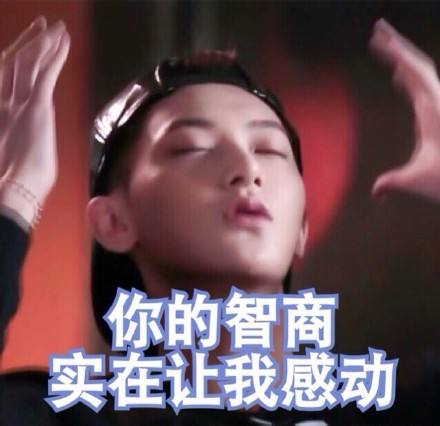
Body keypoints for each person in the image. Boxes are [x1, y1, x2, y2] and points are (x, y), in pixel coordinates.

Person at [1, 15, 440, 425]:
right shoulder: (61, 413)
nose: (247, 170)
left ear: (302, 227)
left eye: (268, 150)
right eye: (193, 147)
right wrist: (15, 194)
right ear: (114, 221)